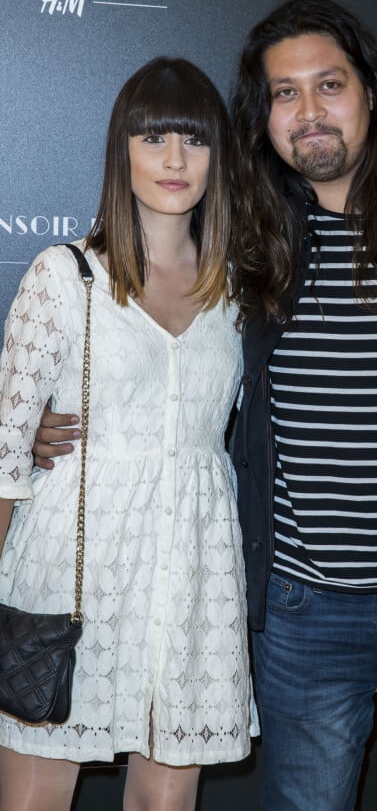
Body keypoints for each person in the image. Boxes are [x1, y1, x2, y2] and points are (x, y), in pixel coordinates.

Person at [33, 0, 377, 810]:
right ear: (264, 117)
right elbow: (170, 362)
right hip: (304, 610)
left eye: (329, 85)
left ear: (372, 93)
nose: (309, 111)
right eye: (285, 94)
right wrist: (59, 426)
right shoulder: (246, 234)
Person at [0, 57, 256, 811]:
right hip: (71, 569)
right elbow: (7, 453)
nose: (175, 160)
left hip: (193, 572)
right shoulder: (63, 276)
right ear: (123, 151)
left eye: (194, 140)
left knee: (164, 802)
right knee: (36, 798)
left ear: (219, 156)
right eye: (153, 139)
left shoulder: (241, 288)